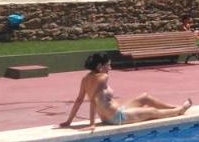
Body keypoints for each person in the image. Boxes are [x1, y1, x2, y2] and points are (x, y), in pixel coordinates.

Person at [59, 53, 192, 129]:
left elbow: (79, 100)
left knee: (145, 97)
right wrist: (92, 124)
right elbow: (93, 100)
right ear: (100, 66)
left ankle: (173, 107)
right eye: (108, 65)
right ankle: (179, 110)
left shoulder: (85, 78)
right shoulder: (102, 77)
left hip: (116, 111)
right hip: (116, 118)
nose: (110, 67)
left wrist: (69, 122)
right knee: (151, 112)